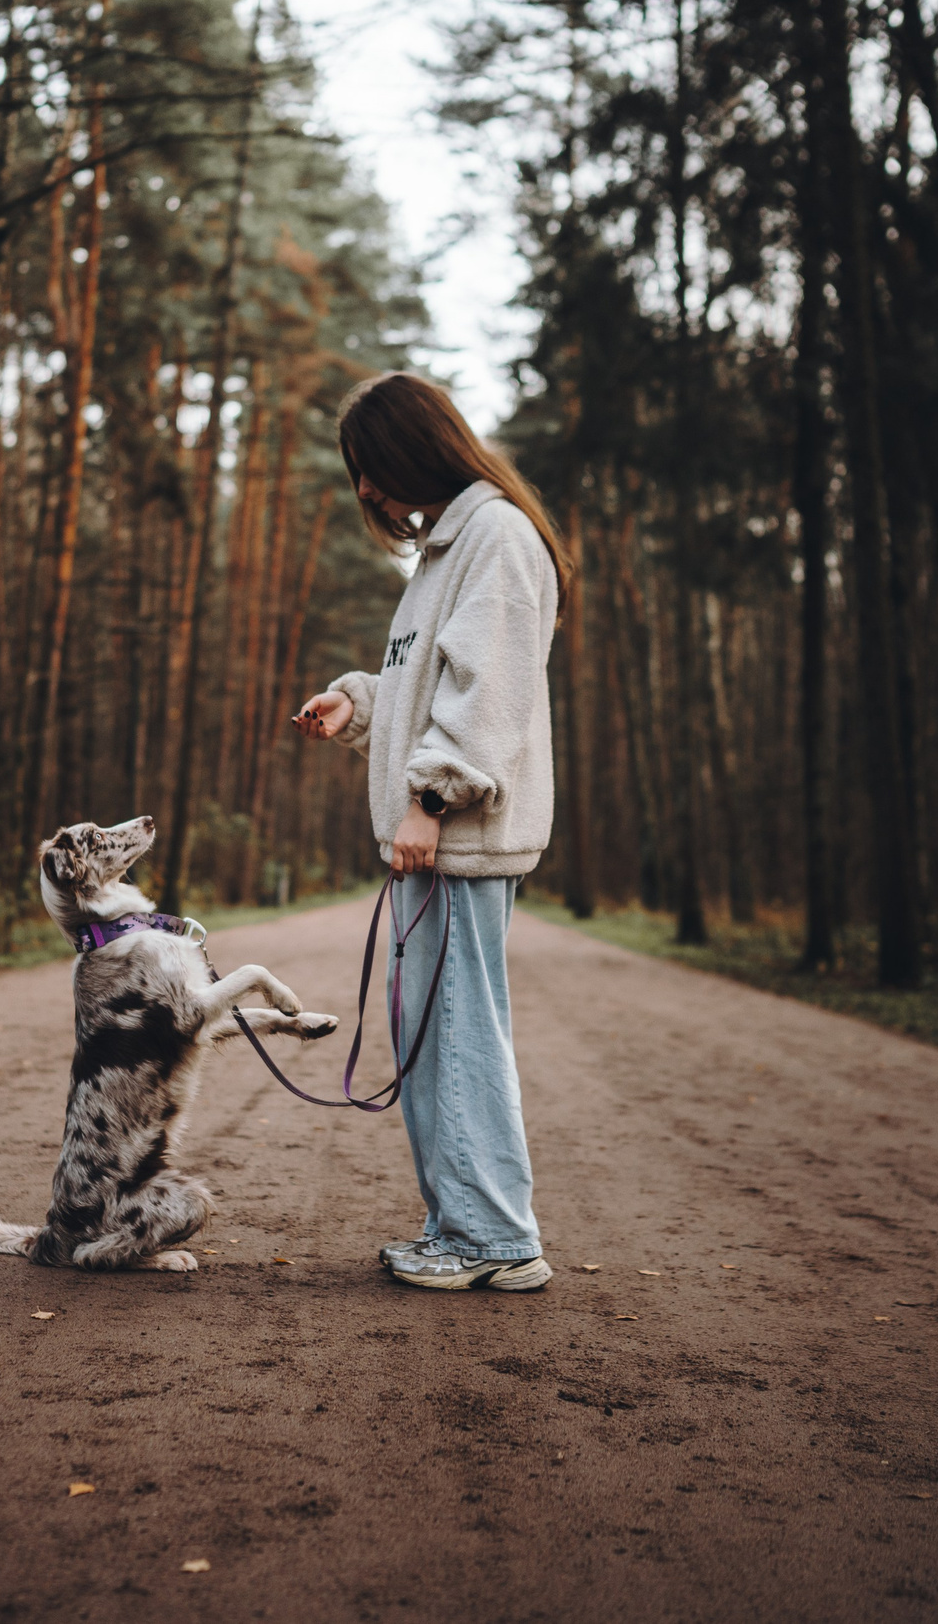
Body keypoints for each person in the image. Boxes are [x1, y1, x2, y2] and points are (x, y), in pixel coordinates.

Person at [293, 371, 569, 1292]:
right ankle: (461, 1224)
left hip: (456, 840)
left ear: (418, 449)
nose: (368, 490)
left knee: (457, 1035)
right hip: (436, 841)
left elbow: (488, 694)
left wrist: (433, 800)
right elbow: (431, 687)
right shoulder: (447, 550)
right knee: (431, 1037)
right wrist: (359, 703)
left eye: (373, 467)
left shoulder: (496, 536)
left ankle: (494, 1239)